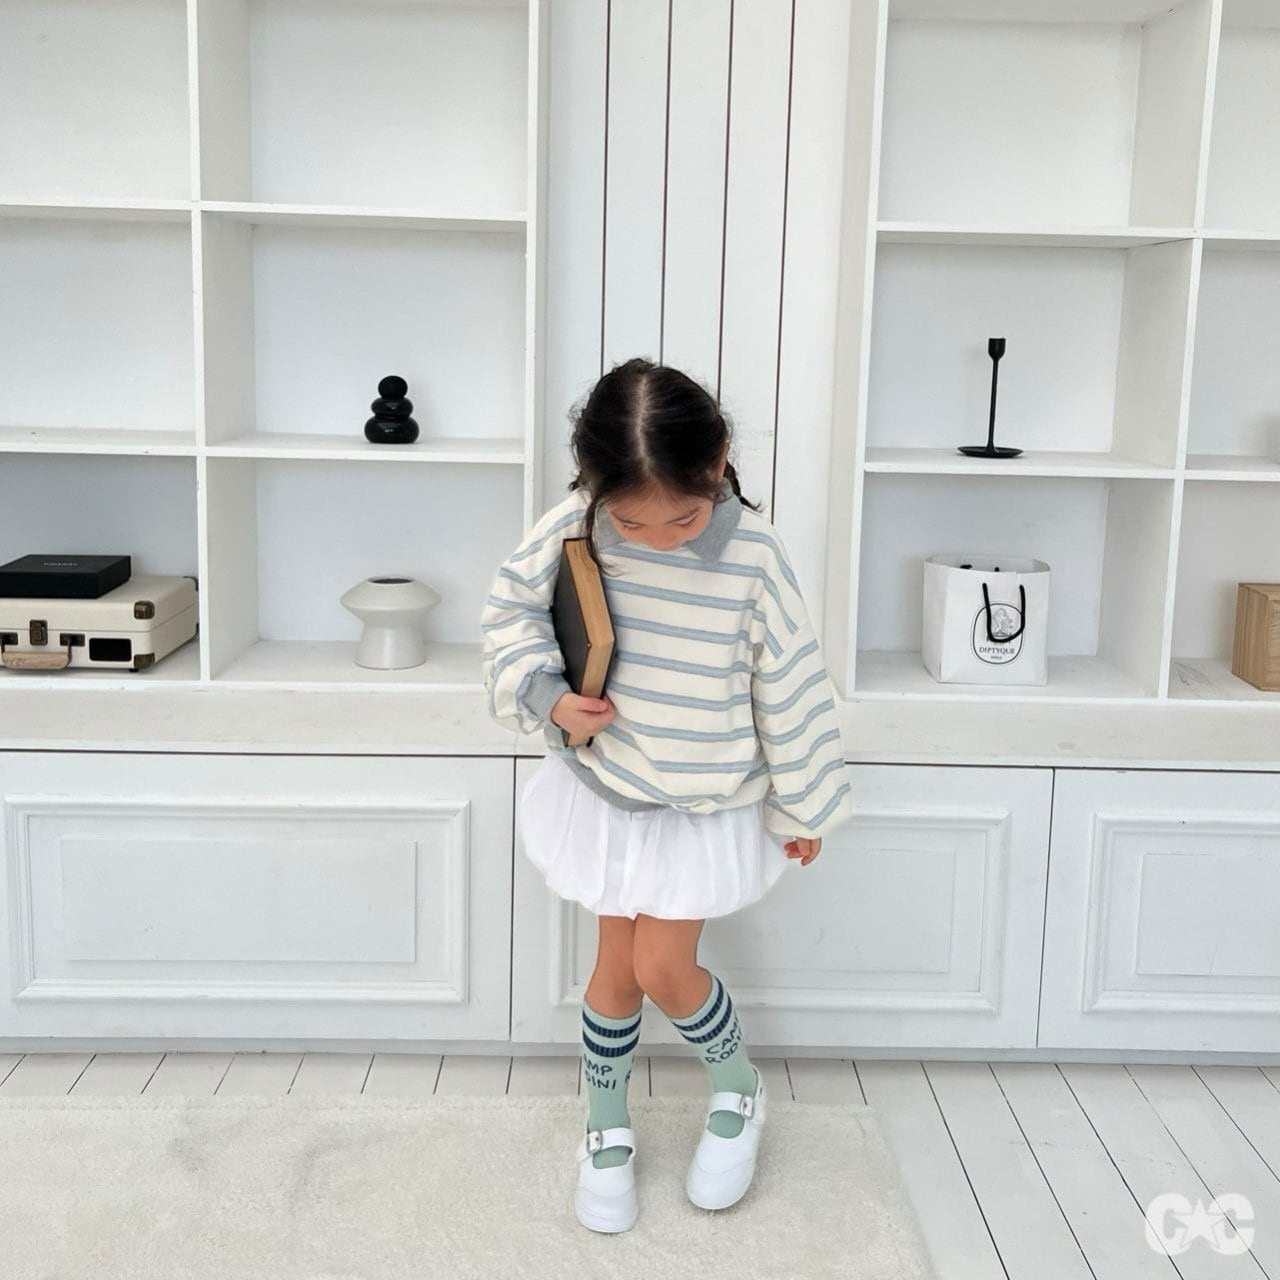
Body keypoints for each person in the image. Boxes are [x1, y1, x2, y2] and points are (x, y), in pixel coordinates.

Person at [480, 356, 855, 1234]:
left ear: (718, 462)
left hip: (701, 804)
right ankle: (605, 1125)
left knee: (660, 968)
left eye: (683, 518)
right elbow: (510, 613)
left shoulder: (756, 557)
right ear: (592, 483)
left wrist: (803, 804)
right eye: (630, 522)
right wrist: (548, 696)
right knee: (614, 972)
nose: (657, 538)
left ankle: (739, 1087)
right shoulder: (576, 523)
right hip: (607, 788)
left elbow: (792, 685)